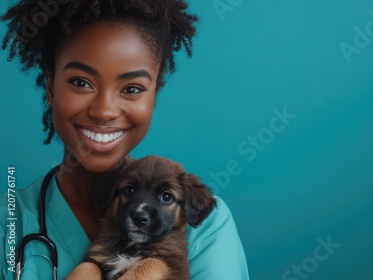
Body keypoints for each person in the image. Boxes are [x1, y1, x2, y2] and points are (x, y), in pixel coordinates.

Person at [0, 0, 249, 279]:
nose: (104, 111)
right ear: (50, 87)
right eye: (81, 82)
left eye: (132, 88)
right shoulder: (7, 221)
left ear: (153, 98)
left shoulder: (208, 225)